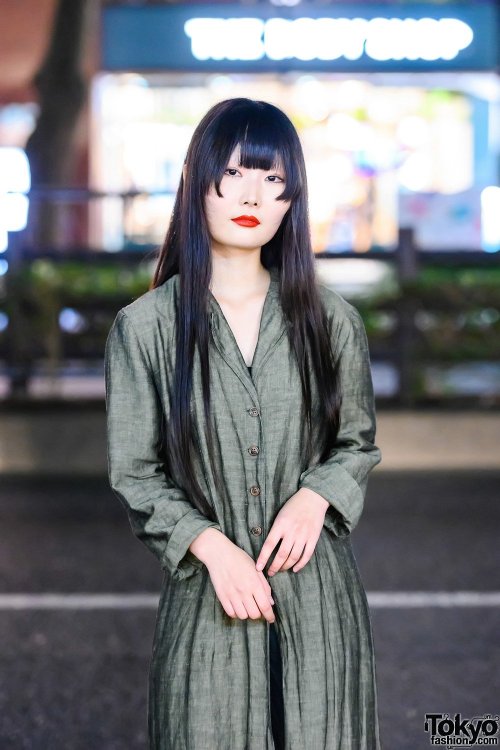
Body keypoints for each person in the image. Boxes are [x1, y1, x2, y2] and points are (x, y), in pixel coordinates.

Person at [104, 97, 382, 750]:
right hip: (208, 606)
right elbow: (135, 472)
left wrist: (318, 496)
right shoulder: (145, 329)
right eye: (234, 173)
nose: (254, 194)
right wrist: (209, 544)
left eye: (275, 180)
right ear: (199, 181)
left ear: (293, 201)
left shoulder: (333, 320)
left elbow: (356, 443)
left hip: (320, 607)